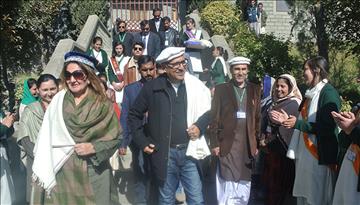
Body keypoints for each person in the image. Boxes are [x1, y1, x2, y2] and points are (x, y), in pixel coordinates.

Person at [32, 51, 121, 204]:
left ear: (88, 76)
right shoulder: (58, 101)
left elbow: (116, 138)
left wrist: (94, 147)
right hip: (63, 171)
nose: (72, 80)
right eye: (68, 75)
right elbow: (46, 136)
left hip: (93, 171)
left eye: (78, 74)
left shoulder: (102, 104)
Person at [128, 47, 211, 205]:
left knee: (197, 199)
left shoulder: (194, 86)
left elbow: (209, 111)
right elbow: (134, 115)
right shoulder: (153, 88)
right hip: (165, 154)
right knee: (166, 200)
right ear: (165, 67)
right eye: (175, 64)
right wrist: (142, 142)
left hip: (190, 152)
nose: (181, 67)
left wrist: (200, 126)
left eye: (183, 62)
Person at [272, 56, 341, 205]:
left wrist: (298, 124)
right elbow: (302, 120)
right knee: (303, 198)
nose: (303, 73)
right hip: (305, 157)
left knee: (316, 199)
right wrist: (288, 120)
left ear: (316, 70)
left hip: (318, 158)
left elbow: (328, 128)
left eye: (305, 69)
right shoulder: (311, 93)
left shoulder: (328, 93)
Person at [209, 56, 261, 205]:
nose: (240, 72)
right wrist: (214, 143)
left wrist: (256, 143)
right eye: (237, 69)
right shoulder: (221, 89)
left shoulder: (255, 90)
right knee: (227, 179)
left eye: (243, 69)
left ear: (247, 71)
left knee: (244, 180)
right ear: (231, 71)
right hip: (227, 143)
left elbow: (258, 117)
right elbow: (214, 118)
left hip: (246, 143)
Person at [14, 74, 59, 204]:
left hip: (60, 160)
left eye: (52, 89)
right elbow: (24, 137)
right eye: (45, 90)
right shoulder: (30, 110)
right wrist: (41, 155)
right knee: (38, 196)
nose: (49, 93)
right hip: (36, 160)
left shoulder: (64, 108)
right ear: (38, 90)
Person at [260, 74, 302, 205]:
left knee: (279, 185)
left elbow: (287, 129)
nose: (279, 89)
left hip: (282, 152)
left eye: (283, 86)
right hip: (271, 149)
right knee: (271, 185)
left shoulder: (294, 104)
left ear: (290, 88)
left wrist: (266, 141)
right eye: (277, 86)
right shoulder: (275, 102)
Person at [120, 55, 157, 205]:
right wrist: (123, 142)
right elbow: (125, 116)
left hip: (157, 137)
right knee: (141, 170)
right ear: (139, 71)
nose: (148, 73)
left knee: (157, 172)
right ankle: (141, 201)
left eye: (151, 69)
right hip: (138, 138)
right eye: (144, 70)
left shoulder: (162, 87)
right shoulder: (130, 90)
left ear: (155, 68)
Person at [331, 104, 360, 205]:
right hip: (348, 169)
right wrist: (347, 126)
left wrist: (351, 129)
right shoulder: (358, 109)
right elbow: (343, 142)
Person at [0, 109, 16, 205]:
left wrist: (10, 124)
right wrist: (4, 126)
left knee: (5, 191)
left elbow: (8, 132)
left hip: (2, 152)